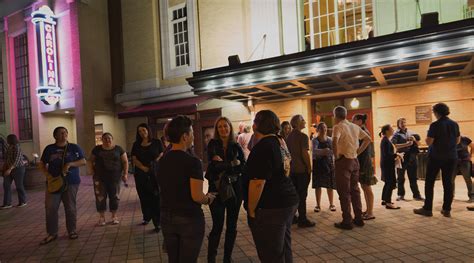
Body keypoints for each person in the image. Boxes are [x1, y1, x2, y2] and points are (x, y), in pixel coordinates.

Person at [156, 115, 216, 263]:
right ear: (184, 136)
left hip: (166, 217)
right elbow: (197, 196)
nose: (193, 136)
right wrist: (208, 198)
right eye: (191, 133)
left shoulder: (162, 161)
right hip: (188, 218)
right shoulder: (192, 162)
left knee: (173, 259)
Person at [247, 110, 299, 263]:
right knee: (284, 247)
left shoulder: (263, 147)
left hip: (272, 206)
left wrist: (251, 210)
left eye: (255, 122)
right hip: (288, 200)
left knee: (271, 253)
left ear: (258, 125)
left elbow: (258, 182)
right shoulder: (280, 142)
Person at [206, 117, 245, 263]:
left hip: (235, 190)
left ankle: (227, 258)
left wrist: (225, 164)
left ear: (230, 127)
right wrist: (233, 164)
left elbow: (244, 166)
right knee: (217, 226)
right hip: (216, 189)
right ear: (217, 129)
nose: (223, 129)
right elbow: (214, 167)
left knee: (232, 226)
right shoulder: (212, 145)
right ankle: (211, 259)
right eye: (220, 127)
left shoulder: (236, 145)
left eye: (225, 126)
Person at [39, 127, 86, 244]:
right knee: (51, 208)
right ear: (55, 136)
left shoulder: (74, 147)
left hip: (71, 182)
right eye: (61, 133)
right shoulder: (49, 149)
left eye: (65, 132)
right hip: (53, 183)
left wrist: (70, 164)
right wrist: (47, 175)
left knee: (70, 207)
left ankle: (72, 231)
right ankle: (52, 233)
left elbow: (83, 161)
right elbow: (41, 163)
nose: (64, 134)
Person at [414, 103, 460, 218]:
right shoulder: (454, 124)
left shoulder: (435, 125)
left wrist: (427, 137)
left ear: (436, 112)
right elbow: (458, 141)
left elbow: (429, 142)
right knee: (448, 183)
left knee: (429, 183)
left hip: (436, 157)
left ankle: (427, 209)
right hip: (451, 157)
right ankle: (446, 210)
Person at [331, 106, 371, 230]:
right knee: (355, 190)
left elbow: (334, 141)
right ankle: (358, 218)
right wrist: (357, 152)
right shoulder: (354, 127)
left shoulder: (338, 126)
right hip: (354, 161)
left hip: (343, 161)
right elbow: (368, 139)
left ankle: (347, 221)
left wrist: (336, 156)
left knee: (344, 192)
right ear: (346, 115)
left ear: (335, 116)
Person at [88, 133, 129, 226]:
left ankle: (114, 216)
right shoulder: (97, 149)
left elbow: (125, 161)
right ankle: (102, 217)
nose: (107, 140)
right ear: (102, 140)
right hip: (99, 178)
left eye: (109, 138)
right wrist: (91, 170)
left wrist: (125, 173)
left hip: (115, 177)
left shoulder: (118, 149)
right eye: (105, 138)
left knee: (115, 197)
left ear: (112, 139)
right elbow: (90, 160)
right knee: (100, 197)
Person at [131, 123, 163, 231]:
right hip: (141, 174)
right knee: (143, 196)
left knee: (155, 197)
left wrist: (154, 162)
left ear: (148, 130)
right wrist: (142, 167)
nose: (142, 133)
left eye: (143, 130)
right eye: (140, 131)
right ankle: (147, 217)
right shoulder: (136, 144)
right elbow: (134, 158)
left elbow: (161, 154)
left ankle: (157, 222)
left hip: (154, 173)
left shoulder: (156, 142)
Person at [286, 114, 315, 228]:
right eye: (303, 120)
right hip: (301, 170)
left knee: (295, 195)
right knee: (302, 195)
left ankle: (293, 217)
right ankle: (302, 219)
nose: (305, 121)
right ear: (297, 123)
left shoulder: (288, 137)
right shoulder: (303, 136)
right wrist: (309, 167)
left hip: (292, 171)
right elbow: (304, 153)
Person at [392, 118, 424, 201]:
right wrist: (406, 144)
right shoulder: (396, 134)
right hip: (402, 157)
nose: (403, 124)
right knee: (400, 177)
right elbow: (394, 145)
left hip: (412, 157)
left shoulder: (412, 132)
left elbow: (419, 144)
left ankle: (416, 195)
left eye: (404, 122)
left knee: (413, 177)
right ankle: (400, 195)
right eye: (401, 122)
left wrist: (414, 140)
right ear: (398, 124)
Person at [352, 114, 377, 220]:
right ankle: (368, 210)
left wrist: (356, 153)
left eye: (354, 120)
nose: (352, 122)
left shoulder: (363, 131)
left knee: (367, 187)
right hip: (363, 162)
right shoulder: (361, 130)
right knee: (364, 186)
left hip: (364, 163)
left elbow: (367, 142)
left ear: (359, 121)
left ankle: (370, 212)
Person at [311, 122, 336, 213]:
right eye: (321, 128)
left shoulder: (330, 140)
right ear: (318, 130)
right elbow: (314, 152)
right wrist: (325, 151)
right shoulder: (315, 140)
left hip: (328, 164)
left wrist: (323, 152)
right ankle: (318, 205)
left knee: (330, 185)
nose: (324, 129)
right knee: (318, 185)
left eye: (325, 127)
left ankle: (331, 204)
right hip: (318, 164)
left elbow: (333, 152)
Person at [380, 125, 403, 210]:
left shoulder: (386, 140)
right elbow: (387, 154)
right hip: (387, 165)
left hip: (386, 164)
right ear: (387, 131)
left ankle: (385, 199)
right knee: (390, 182)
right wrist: (396, 155)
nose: (393, 130)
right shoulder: (385, 140)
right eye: (391, 129)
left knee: (387, 182)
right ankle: (388, 203)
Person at [1, 134, 27, 209]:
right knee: (6, 185)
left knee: (19, 185)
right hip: (9, 168)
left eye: (8, 139)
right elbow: (7, 158)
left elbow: (17, 160)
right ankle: (7, 203)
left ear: (11, 139)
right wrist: (4, 167)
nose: (7, 140)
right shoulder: (9, 147)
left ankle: (23, 201)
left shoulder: (17, 147)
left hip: (18, 169)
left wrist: (10, 169)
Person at [453, 135, 473, 202]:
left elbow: (472, 146)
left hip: (464, 161)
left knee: (467, 178)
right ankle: (450, 196)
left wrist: (470, 155)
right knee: (450, 180)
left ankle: (472, 196)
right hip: (453, 162)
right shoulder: (449, 139)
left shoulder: (464, 138)